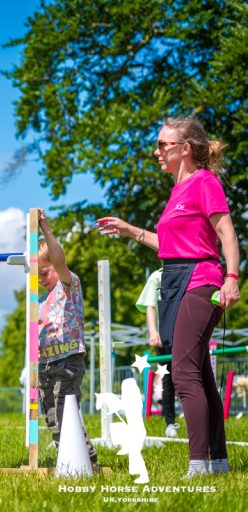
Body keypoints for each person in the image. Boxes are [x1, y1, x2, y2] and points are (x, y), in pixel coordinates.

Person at [97, 117, 240, 477]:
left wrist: (233, 278)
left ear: (185, 149)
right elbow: (171, 247)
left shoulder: (204, 182)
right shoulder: (177, 191)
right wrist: (131, 231)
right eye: (158, 144)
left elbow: (226, 232)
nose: (157, 151)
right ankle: (218, 463)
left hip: (202, 279)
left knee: (183, 371)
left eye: (163, 144)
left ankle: (198, 466)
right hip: (174, 279)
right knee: (201, 373)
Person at [37, 209, 99, 468]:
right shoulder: (39, 300)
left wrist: (45, 229)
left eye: (44, 272)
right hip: (46, 365)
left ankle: (88, 461)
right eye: (36, 274)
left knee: (65, 412)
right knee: (52, 417)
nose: (40, 279)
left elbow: (60, 261)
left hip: (68, 362)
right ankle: (68, 459)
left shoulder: (68, 286)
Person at [136, 269, 179, 438]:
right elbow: (150, 305)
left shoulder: (190, 271)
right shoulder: (157, 277)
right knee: (168, 381)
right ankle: (170, 423)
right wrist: (153, 331)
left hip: (184, 334)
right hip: (164, 338)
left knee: (189, 378)